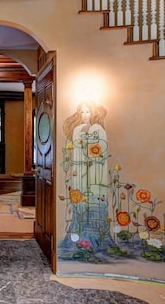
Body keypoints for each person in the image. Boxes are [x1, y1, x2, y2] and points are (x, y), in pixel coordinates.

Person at [59, 101, 112, 256]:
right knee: (81, 200)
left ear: (93, 113)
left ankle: (96, 236)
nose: (84, 115)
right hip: (81, 171)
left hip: (94, 173)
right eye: (82, 112)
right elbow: (76, 150)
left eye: (87, 112)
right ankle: (79, 235)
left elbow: (100, 151)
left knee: (94, 198)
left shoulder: (99, 130)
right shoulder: (77, 129)